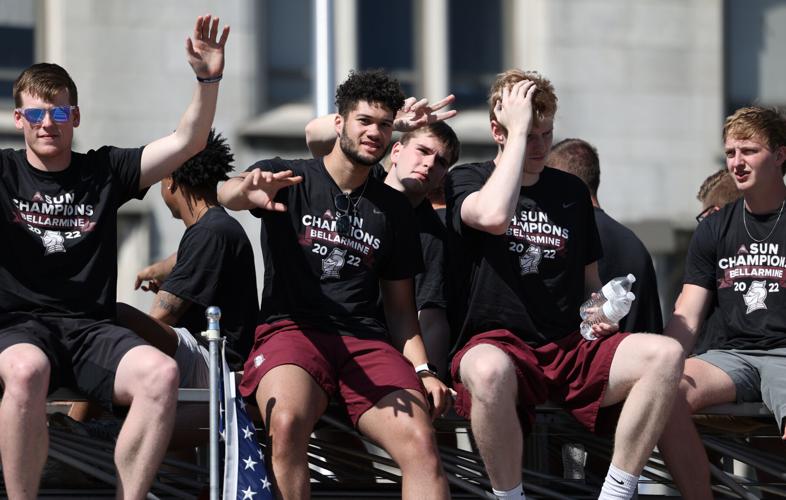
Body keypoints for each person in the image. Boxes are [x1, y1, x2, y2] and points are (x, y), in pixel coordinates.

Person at [0, 15, 228, 499]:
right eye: (37, 114)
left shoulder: (105, 169)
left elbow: (188, 141)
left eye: (60, 114)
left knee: (160, 374)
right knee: (26, 372)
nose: (48, 124)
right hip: (18, 328)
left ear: (75, 118)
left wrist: (207, 80)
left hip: (89, 330)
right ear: (19, 118)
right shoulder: (4, 172)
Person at [444, 69, 684, 500]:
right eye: (528, 134)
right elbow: (495, 217)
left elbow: (589, 284)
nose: (538, 146)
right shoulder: (468, 178)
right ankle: (509, 496)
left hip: (567, 346)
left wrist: (600, 312)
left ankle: (617, 491)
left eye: (545, 134)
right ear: (498, 130)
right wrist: (515, 136)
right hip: (497, 343)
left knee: (665, 354)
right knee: (488, 369)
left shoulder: (571, 191)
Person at [218, 69, 451, 499]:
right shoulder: (288, 176)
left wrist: (423, 371)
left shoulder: (394, 208)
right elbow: (227, 191)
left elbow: (401, 312)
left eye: (384, 124)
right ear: (339, 123)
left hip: (365, 342)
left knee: (421, 444)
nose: (375, 133)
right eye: (364, 121)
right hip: (293, 331)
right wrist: (245, 191)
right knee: (286, 423)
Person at [658, 106, 786, 500]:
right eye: (731, 152)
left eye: (749, 150)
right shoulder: (715, 227)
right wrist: (660, 362)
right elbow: (688, 313)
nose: (737, 162)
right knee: (661, 394)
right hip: (733, 356)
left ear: (780, 155)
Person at [305, 108, 460, 378]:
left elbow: (430, 315)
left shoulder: (432, 236)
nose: (429, 164)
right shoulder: (360, 175)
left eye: (441, 162)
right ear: (397, 150)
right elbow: (313, 136)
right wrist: (390, 120)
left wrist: (428, 376)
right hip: (310, 327)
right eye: (422, 151)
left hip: (374, 349)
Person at [122, 129, 258, 388]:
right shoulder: (215, 227)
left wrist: (167, 296)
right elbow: (178, 260)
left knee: (117, 317)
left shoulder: (209, 233)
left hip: (216, 364)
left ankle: (81, 423)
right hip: (210, 357)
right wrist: (158, 271)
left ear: (171, 180)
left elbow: (159, 318)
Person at [547, 138, 663, 334]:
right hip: (631, 359)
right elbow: (650, 327)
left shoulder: (560, 237)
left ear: (561, 181)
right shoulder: (635, 245)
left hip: (581, 360)